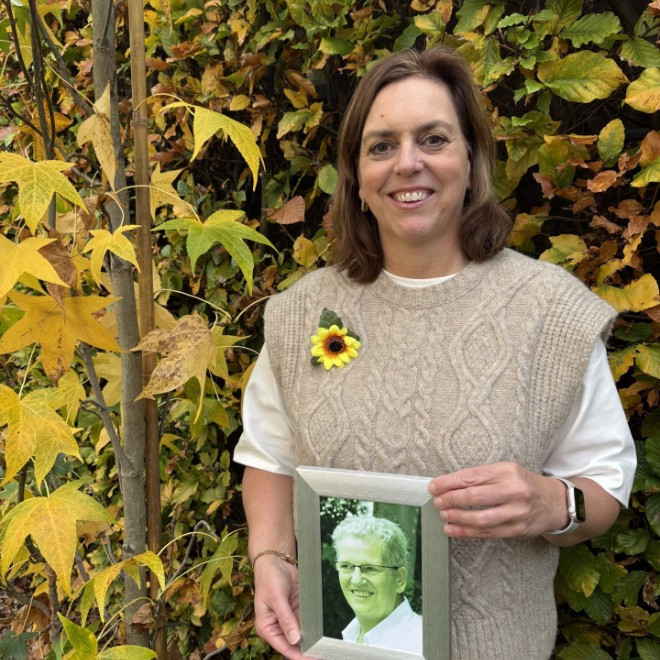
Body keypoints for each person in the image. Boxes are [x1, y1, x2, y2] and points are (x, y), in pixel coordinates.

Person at [235, 46, 636, 659]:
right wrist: (270, 557)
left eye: (434, 139)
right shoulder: (301, 316)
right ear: (356, 178)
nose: (408, 163)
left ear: (471, 162)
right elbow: (269, 456)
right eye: (381, 146)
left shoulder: (551, 315)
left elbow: (604, 483)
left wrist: (553, 503)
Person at [331, 516, 423, 653]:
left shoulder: (423, 644)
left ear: (399, 578)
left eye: (370, 568)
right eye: (346, 566)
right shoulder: (350, 636)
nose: (356, 580)